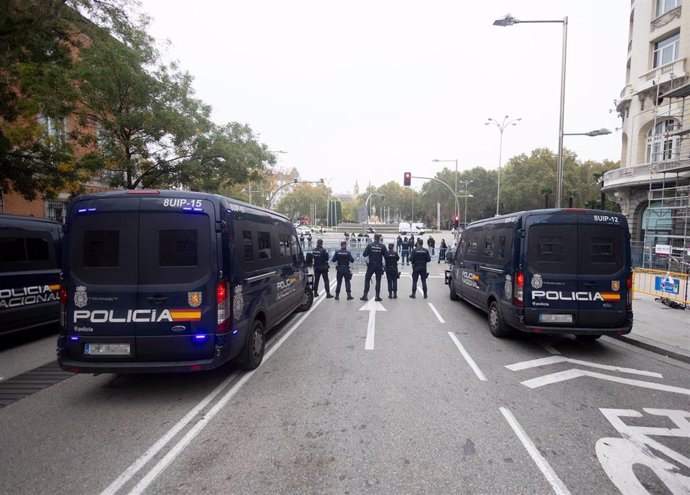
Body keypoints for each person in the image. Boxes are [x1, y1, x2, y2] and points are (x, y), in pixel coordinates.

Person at [360, 233, 387, 301]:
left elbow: (364, 254)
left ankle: (365, 295)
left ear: (374, 238)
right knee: (378, 280)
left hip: (371, 265)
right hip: (378, 265)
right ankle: (377, 296)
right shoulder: (382, 246)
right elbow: (386, 256)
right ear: (379, 238)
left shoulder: (370, 245)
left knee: (367, 279)